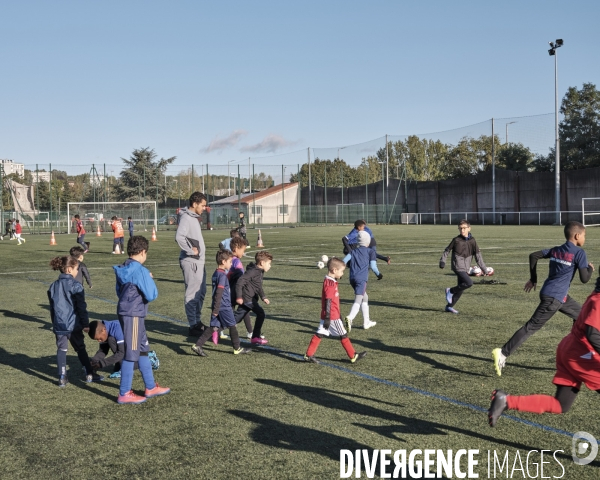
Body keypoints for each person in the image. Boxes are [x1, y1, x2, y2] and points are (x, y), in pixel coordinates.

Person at [489, 277, 600, 427]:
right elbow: (593, 333)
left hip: (570, 350)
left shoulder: (596, 295)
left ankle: (506, 400)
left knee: (561, 404)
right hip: (581, 355)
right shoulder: (598, 301)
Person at [492, 221, 594, 376]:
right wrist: (590, 269)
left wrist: (533, 279)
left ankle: (578, 352)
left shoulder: (556, 250)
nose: (585, 238)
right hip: (554, 298)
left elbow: (533, 256)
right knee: (531, 327)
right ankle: (503, 353)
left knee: (581, 316)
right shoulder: (579, 253)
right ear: (577, 235)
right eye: (584, 235)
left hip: (555, 294)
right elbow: (585, 278)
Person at [114, 235, 170, 404]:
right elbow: (152, 294)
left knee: (143, 349)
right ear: (143, 252)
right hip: (134, 314)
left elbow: (119, 290)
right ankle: (124, 392)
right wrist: (149, 278)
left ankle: (150, 386)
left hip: (129, 311)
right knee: (131, 353)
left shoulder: (123, 266)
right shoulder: (140, 270)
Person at [47, 255, 102, 386]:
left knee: (61, 349)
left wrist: (55, 323)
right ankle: (89, 373)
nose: (78, 271)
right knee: (80, 348)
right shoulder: (76, 286)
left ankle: (62, 377)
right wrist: (85, 323)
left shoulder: (53, 286)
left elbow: (52, 308)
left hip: (59, 324)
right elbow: (81, 307)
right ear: (70, 269)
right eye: (77, 268)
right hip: (73, 325)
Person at [304, 257, 368, 364]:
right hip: (332, 316)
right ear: (334, 270)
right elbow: (328, 300)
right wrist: (329, 317)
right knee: (343, 335)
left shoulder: (331, 281)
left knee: (319, 334)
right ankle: (353, 355)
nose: (342, 273)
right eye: (342, 271)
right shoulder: (330, 284)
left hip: (328, 314)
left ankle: (308, 355)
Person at [191, 250, 252, 357]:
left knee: (213, 327)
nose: (231, 264)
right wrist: (216, 309)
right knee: (232, 325)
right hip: (223, 306)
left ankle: (197, 345)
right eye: (229, 262)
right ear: (223, 262)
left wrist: (215, 307)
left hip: (217, 305)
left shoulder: (216, 273)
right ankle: (237, 348)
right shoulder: (223, 276)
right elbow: (219, 292)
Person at [439, 219, 488, 315]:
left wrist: (484, 269)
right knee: (469, 282)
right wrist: (442, 261)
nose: (462, 230)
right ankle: (450, 290)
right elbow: (447, 250)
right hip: (457, 266)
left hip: (465, 267)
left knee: (461, 289)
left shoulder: (473, 241)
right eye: (460, 228)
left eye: (464, 228)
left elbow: (478, 256)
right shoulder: (456, 240)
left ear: (469, 228)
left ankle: (449, 307)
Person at [176, 192, 208, 337]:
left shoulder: (193, 218)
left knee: (201, 293)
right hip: (192, 262)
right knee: (192, 293)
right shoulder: (186, 217)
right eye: (202, 205)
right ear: (194, 204)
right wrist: (190, 251)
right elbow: (179, 236)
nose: (204, 208)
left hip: (199, 262)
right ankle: (193, 325)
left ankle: (197, 321)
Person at [342, 231, 380, 331]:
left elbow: (344, 261)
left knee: (365, 297)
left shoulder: (353, 251)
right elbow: (373, 266)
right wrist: (379, 274)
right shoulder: (370, 251)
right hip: (361, 279)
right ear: (368, 241)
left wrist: (340, 272)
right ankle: (350, 317)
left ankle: (366, 322)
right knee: (359, 299)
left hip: (352, 278)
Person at [234, 250, 273, 345]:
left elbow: (258, 286)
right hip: (248, 299)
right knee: (261, 313)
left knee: (236, 319)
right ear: (262, 263)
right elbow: (240, 281)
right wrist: (239, 296)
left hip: (250, 299)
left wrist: (263, 297)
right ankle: (255, 337)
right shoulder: (253, 271)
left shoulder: (259, 271)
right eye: (269, 264)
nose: (270, 266)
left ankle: (215, 328)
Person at [228, 236, 260, 339]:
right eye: (243, 250)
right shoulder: (236, 261)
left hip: (228, 289)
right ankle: (250, 332)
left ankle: (219, 330)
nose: (243, 253)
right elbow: (242, 277)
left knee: (231, 310)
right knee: (244, 309)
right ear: (236, 249)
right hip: (236, 290)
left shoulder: (228, 259)